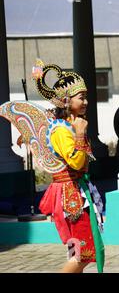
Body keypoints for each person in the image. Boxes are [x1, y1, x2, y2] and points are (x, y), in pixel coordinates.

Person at [1, 59, 105, 273]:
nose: (86, 101)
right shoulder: (62, 130)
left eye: (86, 97)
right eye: (81, 97)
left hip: (75, 192)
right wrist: (80, 133)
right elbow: (76, 161)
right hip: (70, 197)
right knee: (83, 253)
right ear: (66, 101)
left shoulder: (68, 125)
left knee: (79, 252)